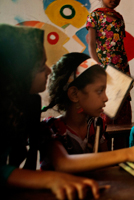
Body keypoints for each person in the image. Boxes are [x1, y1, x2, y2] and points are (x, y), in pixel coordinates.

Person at [0, 24, 100, 200]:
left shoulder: (29, 102)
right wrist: (49, 179)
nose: (48, 70)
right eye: (40, 66)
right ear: (16, 72)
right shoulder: (52, 127)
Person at [40, 52, 134, 174]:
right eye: (100, 91)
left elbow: (106, 165)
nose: (105, 98)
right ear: (74, 94)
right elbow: (63, 164)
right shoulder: (52, 129)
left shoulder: (96, 125)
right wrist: (131, 153)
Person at [86, 0, 132, 125]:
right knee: (107, 105)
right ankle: (103, 142)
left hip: (121, 67)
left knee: (122, 105)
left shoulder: (119, 18)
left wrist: (126, 70)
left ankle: (121, 143)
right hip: (105, 68)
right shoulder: (94, 16)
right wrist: (99, 66)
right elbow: (91, 45)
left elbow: (120, 46)